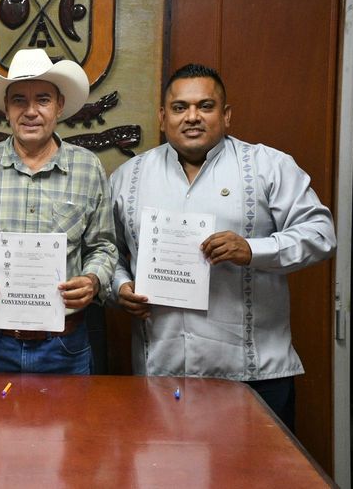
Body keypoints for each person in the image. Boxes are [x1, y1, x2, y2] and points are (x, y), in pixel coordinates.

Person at [110, 63, 336, 431]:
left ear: (226, 115)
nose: (192, 117)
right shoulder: (128, 177)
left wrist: (253, 250)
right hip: (161, 371)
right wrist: (120, 287)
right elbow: (110, 252)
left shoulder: (268, 166)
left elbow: (321, 234)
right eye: (180, 107)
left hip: (255, 376)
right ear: (163, 117)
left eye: (206, 106)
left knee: (259, 468)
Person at [0, 48, 118, 374]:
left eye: (42, 99)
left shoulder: (88, 167)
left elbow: (103, 246)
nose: (30, 111)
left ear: (59, 106)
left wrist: (93, 279)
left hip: (65, 347)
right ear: (6, 108)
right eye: (19, 101)